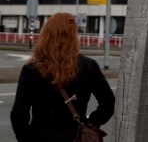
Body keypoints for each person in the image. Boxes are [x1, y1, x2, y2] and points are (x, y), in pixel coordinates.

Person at [10, 12, 115, 142]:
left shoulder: (31, 70)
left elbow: (18, 115)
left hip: (41, 136)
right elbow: (108, 103)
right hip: (75, 137)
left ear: (46, 35)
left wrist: (26, 139)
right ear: (73, 37)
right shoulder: (88, 66)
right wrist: (90, 124)